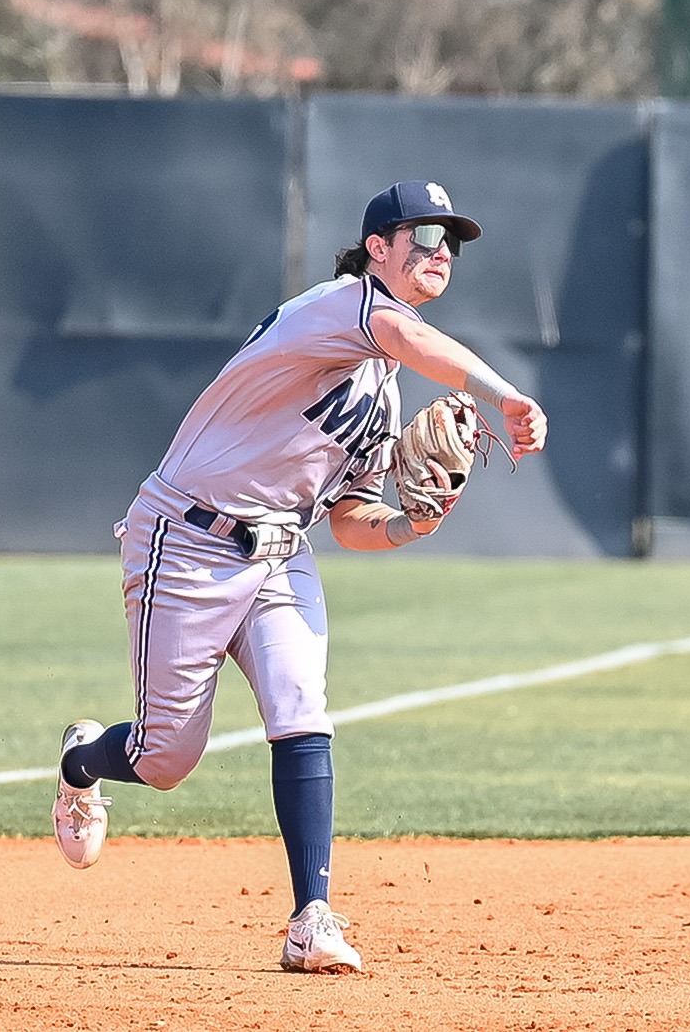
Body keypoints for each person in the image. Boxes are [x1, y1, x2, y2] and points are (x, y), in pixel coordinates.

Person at [49, 180, 547, 973]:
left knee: (299, 704)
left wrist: (413, 524)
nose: (440, 250)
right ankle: (82, 761)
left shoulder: (382, 395)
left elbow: (351, 520)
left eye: (450, 239)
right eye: (422, 234)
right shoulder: (342, 306)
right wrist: (503, 393)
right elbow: (412, 340)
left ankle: (311, 918)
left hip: (283, 553)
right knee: (166, 758)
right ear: (377, 247)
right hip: (187, 538)